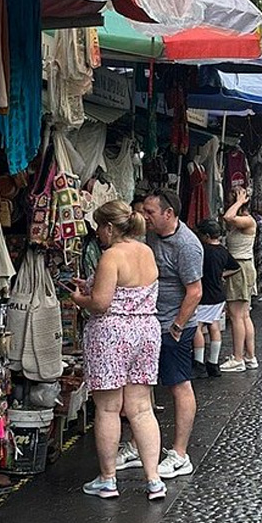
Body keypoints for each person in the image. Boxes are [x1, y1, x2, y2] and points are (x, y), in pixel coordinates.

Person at [67, 200, 167, 501]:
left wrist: (80, 299)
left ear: (109, 228)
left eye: (99, 226)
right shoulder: (146, 251)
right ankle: (154, 480)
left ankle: (108, 479)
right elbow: (128, 289)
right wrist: (92, 284)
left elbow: (101, 303)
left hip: (112, 334)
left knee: (108, 408)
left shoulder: (111, 255)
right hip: (146, 331)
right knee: (142, 408)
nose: (98, 233)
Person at [130, 189, 204, 478]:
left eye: (150, 212)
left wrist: (176, 327)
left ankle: (180, 454)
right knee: (142, 385)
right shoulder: (150, 236)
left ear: (168, 213)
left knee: (179, 385)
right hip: (149, 323)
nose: (145, 217)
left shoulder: (187, 245)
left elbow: (195, 291)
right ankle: (137, 446)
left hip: (173, 327)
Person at [192, 218, 239, 378]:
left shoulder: (202, 251)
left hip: (205, 294)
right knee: (214, 325)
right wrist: (221, 275)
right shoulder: (223, 250)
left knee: (197, 327)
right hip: (218, 294)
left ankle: (199, 363)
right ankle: (213, 363)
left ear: (206, 236)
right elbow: (235, 267)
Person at [222, 187, 259, 371]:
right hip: (242, 267)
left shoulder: (247, 221)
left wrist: (239, 201)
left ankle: (238, 358)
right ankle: (249, 356)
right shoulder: (243, 222)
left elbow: (228, 217)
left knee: (237, 315)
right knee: (243, 315)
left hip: (240, 268)